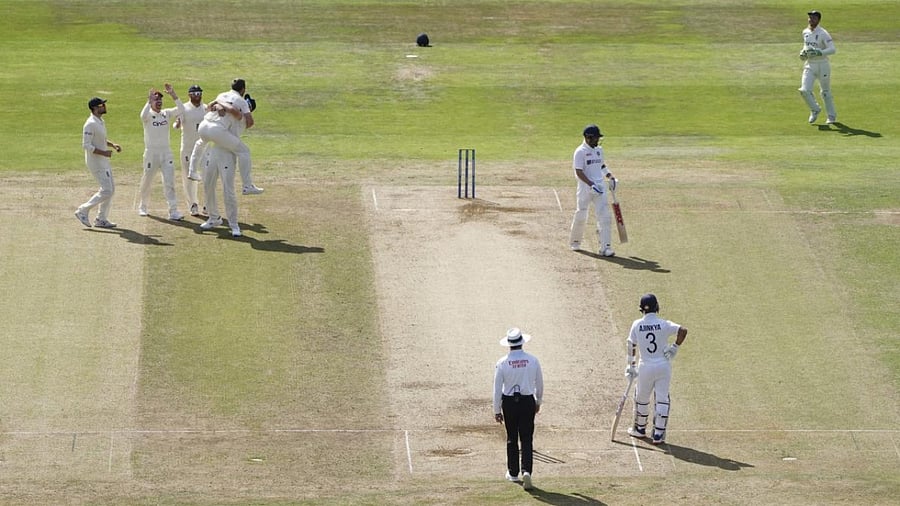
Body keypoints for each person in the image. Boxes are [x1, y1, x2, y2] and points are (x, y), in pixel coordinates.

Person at [625, 294, 688, 445]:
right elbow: (683, 330)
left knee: (641, 397)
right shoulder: (663, 324)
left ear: (642, 309)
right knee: (662, 398)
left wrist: (631, 366)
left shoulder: (637, 324)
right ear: (656, 307)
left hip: (645, 366)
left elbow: (631, 345)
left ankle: (640, 429)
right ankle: (658, 434)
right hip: (663, 366)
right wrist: (675, 347)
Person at [186, 78, 263, 195]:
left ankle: (192, 171)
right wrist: (225, 107)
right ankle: (247, 185)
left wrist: (219, 104)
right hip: (216, 130)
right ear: (243, 89)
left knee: (200, 143)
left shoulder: (221, 95)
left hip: (203, 125)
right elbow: (240, 115)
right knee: (244, 151)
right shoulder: (241, 102)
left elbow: (208, 108)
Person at [493, 328, 543, 491]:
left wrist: (497, 410)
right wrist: (538, 401)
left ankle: (513, 472)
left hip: (509, 403)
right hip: (527, 400)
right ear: (522, 342)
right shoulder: (533, 360)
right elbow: (539, 384)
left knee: (512, 437)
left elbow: (497, 388)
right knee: (527, 438)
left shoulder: (502, 362)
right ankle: (526, 470)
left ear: (509, 345)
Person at [138, 83, 186, 220]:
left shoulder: (166, 114)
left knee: (169, 182)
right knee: (147, 180)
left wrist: (173, 94)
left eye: (160, 100)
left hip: (166, 153)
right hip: (151, 154)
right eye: (155, 100)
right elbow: (142, 115)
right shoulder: (148, 116)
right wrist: (148, 101)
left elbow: (182, 109)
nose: (158, 102)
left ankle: (173, 211)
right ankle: (143, 207)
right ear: (151, 101)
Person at [569, 124, 618, 256]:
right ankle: (575, 242)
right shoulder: (579, 152)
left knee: (605, 216)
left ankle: (605, 247)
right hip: (585, 189)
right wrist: (591, 184)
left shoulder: (599, 150)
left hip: (600, 188)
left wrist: (610, 176)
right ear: (588, 138)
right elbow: (578, 172)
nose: (598, 141)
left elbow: (601, 165)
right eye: (596, 138)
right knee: (581, 214)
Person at [75, 97, 122, 228]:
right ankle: (82, 210)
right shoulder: (89, 124)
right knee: (107, 190)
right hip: (96, 162)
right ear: (95, 108)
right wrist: (104, 153)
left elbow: (101, 139)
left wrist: (112, 145)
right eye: (102, 105)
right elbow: (86, 145)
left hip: (103, 161)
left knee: (111, 190)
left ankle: (101, 219)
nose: (104, 106)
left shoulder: (100, 121)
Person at [173, 84, 207, 216]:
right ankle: (193, 204)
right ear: (189, 95)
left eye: (199, 93)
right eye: (194, 94)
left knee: (207, 176)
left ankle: (207, 204)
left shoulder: (206, 109)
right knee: (189, 178)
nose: (197, 96)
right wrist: (177, 123)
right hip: (188, 149)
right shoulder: (184, 109)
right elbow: (176, 124)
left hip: (204, 149)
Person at [798, 10, 837, 124]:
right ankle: (815, 109)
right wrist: (802, 54)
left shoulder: (823, 33)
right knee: (804, 90)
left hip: (823, 65)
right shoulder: (805, 32)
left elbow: (832, 49)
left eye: (813, 18)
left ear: (818, 20)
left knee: (825, 92)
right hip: (810, 65)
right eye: (810, 17)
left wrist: (819, 52)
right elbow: (806, 47)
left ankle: (831, 116)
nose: (811, 20)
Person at [199, 144, 242, 237]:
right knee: (208, 186)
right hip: (211, 152)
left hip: (227, 154)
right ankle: (214, 218)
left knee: (228, 189)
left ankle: (234, 225)